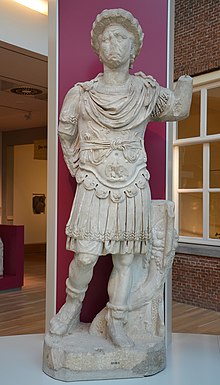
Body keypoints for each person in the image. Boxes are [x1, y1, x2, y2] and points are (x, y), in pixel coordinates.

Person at [50, 8, 192, 348]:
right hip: (93, 182)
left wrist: (185, 82)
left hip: (131, 183)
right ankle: (71, 308)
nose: (113, 44)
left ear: (133, 49)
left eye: (121, 38)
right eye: (107, 38)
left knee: (126, 258)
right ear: (99, 49)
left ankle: (117, 320)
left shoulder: (145, 93)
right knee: (85, 255)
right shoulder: (81, 94)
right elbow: (65, 132)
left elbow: (178, 109)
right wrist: (78, 167)